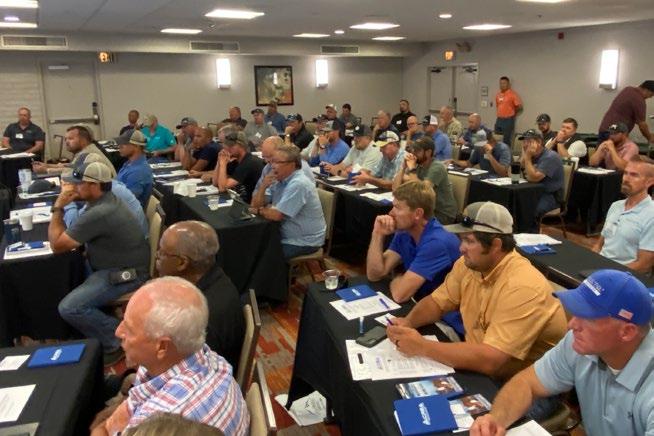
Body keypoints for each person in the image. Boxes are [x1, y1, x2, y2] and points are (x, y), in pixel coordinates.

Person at [387, 201, 567, 382]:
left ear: (495, 245)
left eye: (469, 241)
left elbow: (492, 360)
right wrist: (408, 322)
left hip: (524, 382)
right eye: (461, 239)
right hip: (482, 364)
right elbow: (436, 302)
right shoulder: (470, 264)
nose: (461, 248)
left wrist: (422, 347)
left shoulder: (523, 287)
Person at [470, 269, 654, 436]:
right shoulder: (579, 343)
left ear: (627, 332)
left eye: (588, 318)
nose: (571, 325)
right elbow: (527, 383)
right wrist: (497, 420)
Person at [90, 277, 249, 436]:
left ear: (162, 347)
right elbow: (132, 404)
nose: (118, 332)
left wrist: (102, 428)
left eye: (129, 329)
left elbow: (110, 425)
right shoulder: (203, 355)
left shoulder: (156, 423)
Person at [50, 161, 150, 366]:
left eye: (79, 183)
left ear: (94, 186)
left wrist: (58, 207)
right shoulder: (104, 201)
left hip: (126, 273)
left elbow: (57, 245)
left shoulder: (101, 211)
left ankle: (117, 339)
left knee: (70, 307)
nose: (74, 187)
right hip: (113, 264)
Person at [156, 221, 245, 371]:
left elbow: (190, 371)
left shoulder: (200, 318)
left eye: (162, 253)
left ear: (182, 263)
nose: (157, 257)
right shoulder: (216, 277)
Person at [367, 180, 460, 303]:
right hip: (421, 301)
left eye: (397, 207)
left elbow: (399, 295)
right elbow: (374, 275)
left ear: (417, 214)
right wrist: (377, 234)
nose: (390, 213)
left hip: (447, 312)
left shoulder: (436, 243)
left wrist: (397, 277)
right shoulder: (404, 232)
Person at [250, 144, 326, 260]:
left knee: (262, 258)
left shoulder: (299, 184)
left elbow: (277, 215)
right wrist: (263, 186)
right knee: (251, 245)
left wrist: (259, 211)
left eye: (277, 162)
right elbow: (255, 204)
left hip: (304, 241)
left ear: (292, 165)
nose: (272, 166)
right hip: (284, 233)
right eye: (272, 161)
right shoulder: (279, 179)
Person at [63, 153, 149, 238]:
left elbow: (72, 227)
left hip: (131, 241)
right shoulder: (107, 185)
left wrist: (67, 200)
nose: (75, 184)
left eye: (80, 181)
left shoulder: (107, 193)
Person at [594, 159, 654, 273]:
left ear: (649, 182)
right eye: (625, 173)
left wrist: (608, 273)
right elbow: (599, 245)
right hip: (600, 268)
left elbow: (644, 265)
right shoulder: (616, 206)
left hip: (625, 275)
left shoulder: (651, 215)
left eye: (634, 175)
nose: (626, 179)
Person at [393, 136, 458, 224]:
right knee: (398, 218)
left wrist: (412, 169)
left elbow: (423, 193)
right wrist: (403, 167)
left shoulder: (437, 167)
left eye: (417, 151)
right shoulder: (418, 166)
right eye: (413, 150)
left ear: (428, 152)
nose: (413, 153)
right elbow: (395, 189)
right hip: (425, 210)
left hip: (442, 214)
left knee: (407, 222)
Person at [519, 129, 564, 231]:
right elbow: (515, 169)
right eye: (524, 141)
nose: (525, 144)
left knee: (528, 210)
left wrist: (527, 157)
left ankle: (531, 236)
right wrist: (525, 155)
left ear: (539, 142)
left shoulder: (550, 157)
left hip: (550, 196)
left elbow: (534, 178)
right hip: (533, 192)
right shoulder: (531, 154)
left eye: (528, 141)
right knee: (516, 204)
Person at [33, 124, 116, 177]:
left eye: (70, 138)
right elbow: (73, 166)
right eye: (66, 139)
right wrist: (47, 165)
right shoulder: (84, 151)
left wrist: (46, 170)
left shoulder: (90, 154)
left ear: (83, 140)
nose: (66, 142)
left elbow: (73, 172)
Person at [214, 131, 264, 203]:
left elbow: (222, 188)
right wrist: (219, 162)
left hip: (249, 203)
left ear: (241, 145)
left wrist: (223, 164)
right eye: (226, 145)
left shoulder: (249, 162)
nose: (227, 148)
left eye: (231, 146)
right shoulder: (234, 160)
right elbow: (215, 183)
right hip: (238, 199)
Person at [117, 130, 153, 208]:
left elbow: (127, 202)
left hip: (127, 212)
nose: (119, 146)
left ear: (137, 146)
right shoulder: (129, 163)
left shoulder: (138, 172)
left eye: (124, 144)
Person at [494, 76, 523, 145]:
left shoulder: (512, 94)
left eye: (504, 83)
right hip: (499, 119)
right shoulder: (498, 95)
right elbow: (498, 106)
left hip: (508, 120)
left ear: (508, 84)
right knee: (497, 138)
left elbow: (519, 106)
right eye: (501, 83)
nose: (502, 85)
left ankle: (506, 151)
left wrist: (513, 113)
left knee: (506, 140)